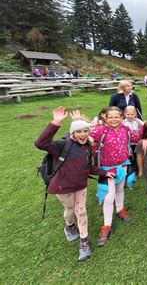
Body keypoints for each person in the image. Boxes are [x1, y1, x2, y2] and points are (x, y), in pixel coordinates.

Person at [34, 107, 115, 261]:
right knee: (70, 209)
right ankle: (69, 226)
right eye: (79, 132)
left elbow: (89, 167)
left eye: (85, 131)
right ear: (73, 133)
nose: (83, 135)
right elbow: (40, 143)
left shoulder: (87, 148)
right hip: (62, 187)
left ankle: (84, 243)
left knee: (81, 211)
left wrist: (104, 173)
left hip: (81, 186)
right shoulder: (61, 146)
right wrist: (56, 122)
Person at [90, 107, 142, 247]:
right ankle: (107, 225)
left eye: (116, 117)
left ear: (122, 117)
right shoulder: (100, 130)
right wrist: (81, 124)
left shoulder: (125, 129)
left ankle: (120, 209)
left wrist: (144, 127)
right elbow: (86, 137)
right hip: (107, 169)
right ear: (105, 118)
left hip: (122, 165)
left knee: (120, 189)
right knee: (108, 195)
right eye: (110, 117)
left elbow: (136, 138)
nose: (114, 119)